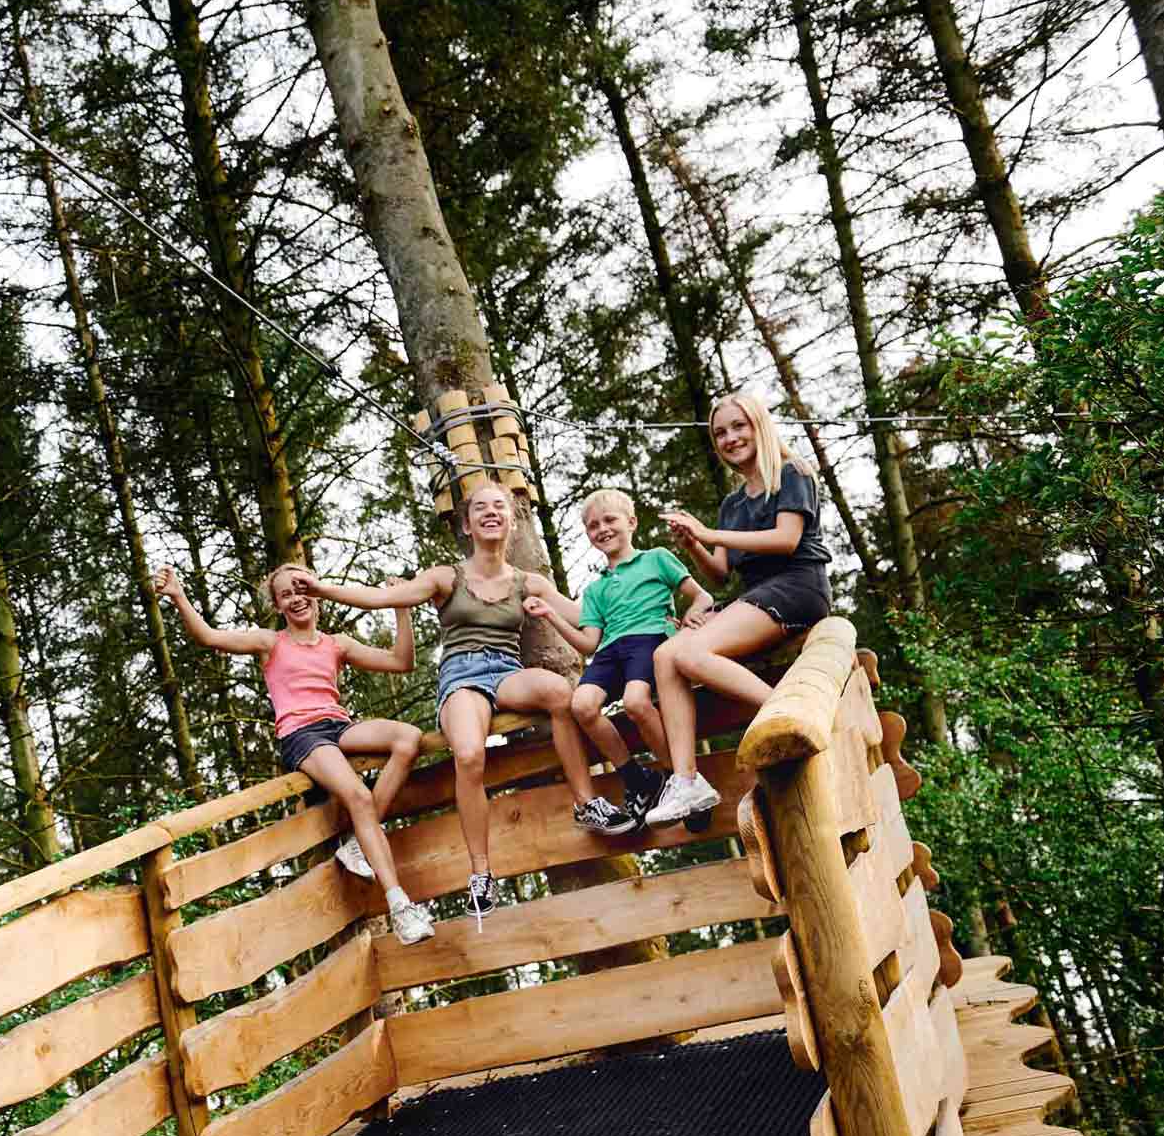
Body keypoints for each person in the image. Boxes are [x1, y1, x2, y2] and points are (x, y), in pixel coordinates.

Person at [313, 481, 633, 925]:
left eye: (499, 506)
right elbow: (383, 597)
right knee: (468, 753)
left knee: (561, 692)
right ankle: (481, 872)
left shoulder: (528, 581)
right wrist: (320, 589)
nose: (491, 512)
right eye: (480, 508)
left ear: (510, 518)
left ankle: (586, 803)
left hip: (507, 670)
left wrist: (651, 597)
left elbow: (588, 615)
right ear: (467, 524)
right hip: (461, 674)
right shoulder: (447, 576)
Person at [153, 562, 436, 944]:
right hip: (301, 734)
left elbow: (402, 662)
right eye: (286, 594)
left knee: (409, 738)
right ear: (278, 605)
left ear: (317, 593)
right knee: (357, 796)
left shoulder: (337, 644)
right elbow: (208, 636)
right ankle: (400, 906)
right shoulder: (271, 643)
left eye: (302, 588)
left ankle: (357, 843)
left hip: (338, 726)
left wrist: (400, 608)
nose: (296, 598)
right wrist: (178, 595)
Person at [643, 392, 835, 825]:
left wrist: (709, 532)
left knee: (692, 653)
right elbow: (720, 574)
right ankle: (686, 780)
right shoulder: (733, 504)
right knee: (665, 656)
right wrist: (695, 544)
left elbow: (786, 539)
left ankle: (786, 716)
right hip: (754, 595)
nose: (730, 438)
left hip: (797, 585)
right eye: (720, 433)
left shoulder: (792, 472)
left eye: (738, 426)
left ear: (759, 426)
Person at [523, 488, 712, 827]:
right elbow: (588, 644)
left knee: (636, 702)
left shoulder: (656, 558)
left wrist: (695, 614)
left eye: (610, 520)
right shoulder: (596, 590)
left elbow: (701, 596)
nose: (602, 529)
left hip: (648, 638)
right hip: (610, 651)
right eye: (593, 526)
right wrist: (551, 614)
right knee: (581, 705)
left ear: (631, 522)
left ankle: (683, 782)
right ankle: (636, 777)